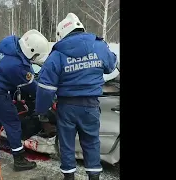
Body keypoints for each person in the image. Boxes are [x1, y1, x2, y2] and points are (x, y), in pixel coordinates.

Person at [35, 13, 118, 180]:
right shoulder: (99, 46)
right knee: (91, 142)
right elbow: (111, 66)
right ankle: (94, 177)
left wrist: (41, 110)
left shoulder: (57, 55)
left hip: (67, 107)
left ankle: (69, 177)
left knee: (67, 144)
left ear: (62, 34)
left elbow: (45, 87)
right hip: (91, 106)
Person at [0, 29, 50, 171]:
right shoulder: (15, 66)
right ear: (30, 50)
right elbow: (31, 87)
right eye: (35, 55)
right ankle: (19, 160)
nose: (34, 57)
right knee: (13, 123)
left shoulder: (10, 42)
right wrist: (47, 96)